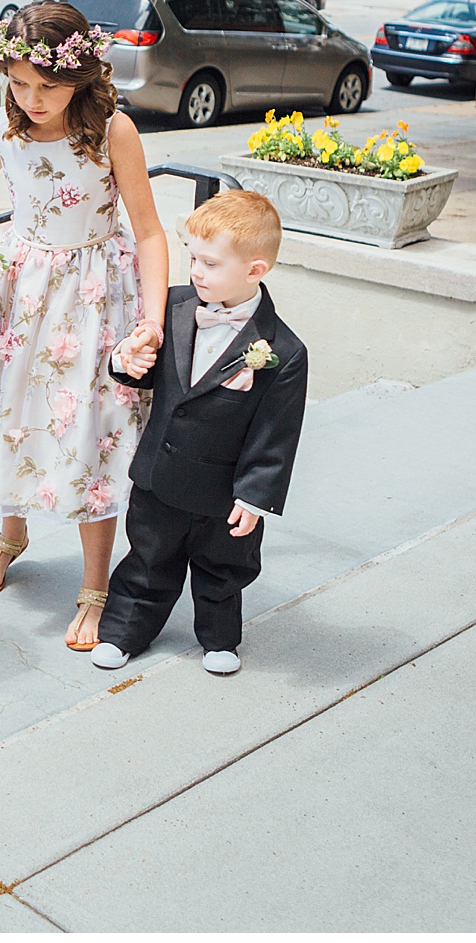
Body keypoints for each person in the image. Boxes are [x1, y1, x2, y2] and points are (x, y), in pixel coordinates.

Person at [0, 2, 169, 651]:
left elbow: (150, 231)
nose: (32, 99)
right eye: (19, 83)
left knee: (87, 431)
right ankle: (11, 533)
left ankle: (96, 583)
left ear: (82, 75)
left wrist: (150, 321)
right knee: (10, 415)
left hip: (93, 296)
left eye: (48, 86)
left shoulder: (112, 131)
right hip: (19, 293)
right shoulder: (1, 125)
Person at [91, 190, 308, 676]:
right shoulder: (170, 306)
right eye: (192, 258)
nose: (195, 271)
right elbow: (143, 371)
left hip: (222, 493)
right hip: (159, 476)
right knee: (146, 561)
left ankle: (219, 638)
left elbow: (276, 434)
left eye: (210, 263)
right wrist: (125, 362)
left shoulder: (284, 351)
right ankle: (124, 631)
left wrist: (254, 498)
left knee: (221, 571)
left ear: (255, 270)